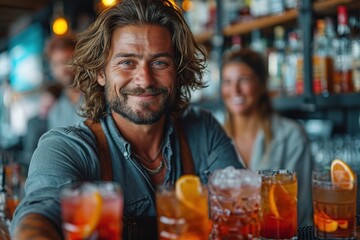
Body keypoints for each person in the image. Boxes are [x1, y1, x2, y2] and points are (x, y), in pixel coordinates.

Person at [11, 0, 243, 239]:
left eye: (159, 62)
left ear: (178, 70)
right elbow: (38, 216)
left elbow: (240, 210)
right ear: (100, 72)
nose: (144, 80)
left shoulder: (203, 130)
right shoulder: (67, 147)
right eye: (126, 62)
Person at [220, 48, 313, 227]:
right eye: (227, 82)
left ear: (262, 85)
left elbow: (301, 209)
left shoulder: (291, 135)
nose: (235, 90)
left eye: (244, 80)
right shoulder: (215, 138)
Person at [44, 34, 84, 129]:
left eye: (67, 61)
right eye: (56, 64)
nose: (62, 69)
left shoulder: (97, 97)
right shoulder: (55, 110)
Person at [22, 83, 63, 164]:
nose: (46, 106)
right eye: (44, 104)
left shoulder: (56, 123)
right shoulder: (32, 121)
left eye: (49, 106)